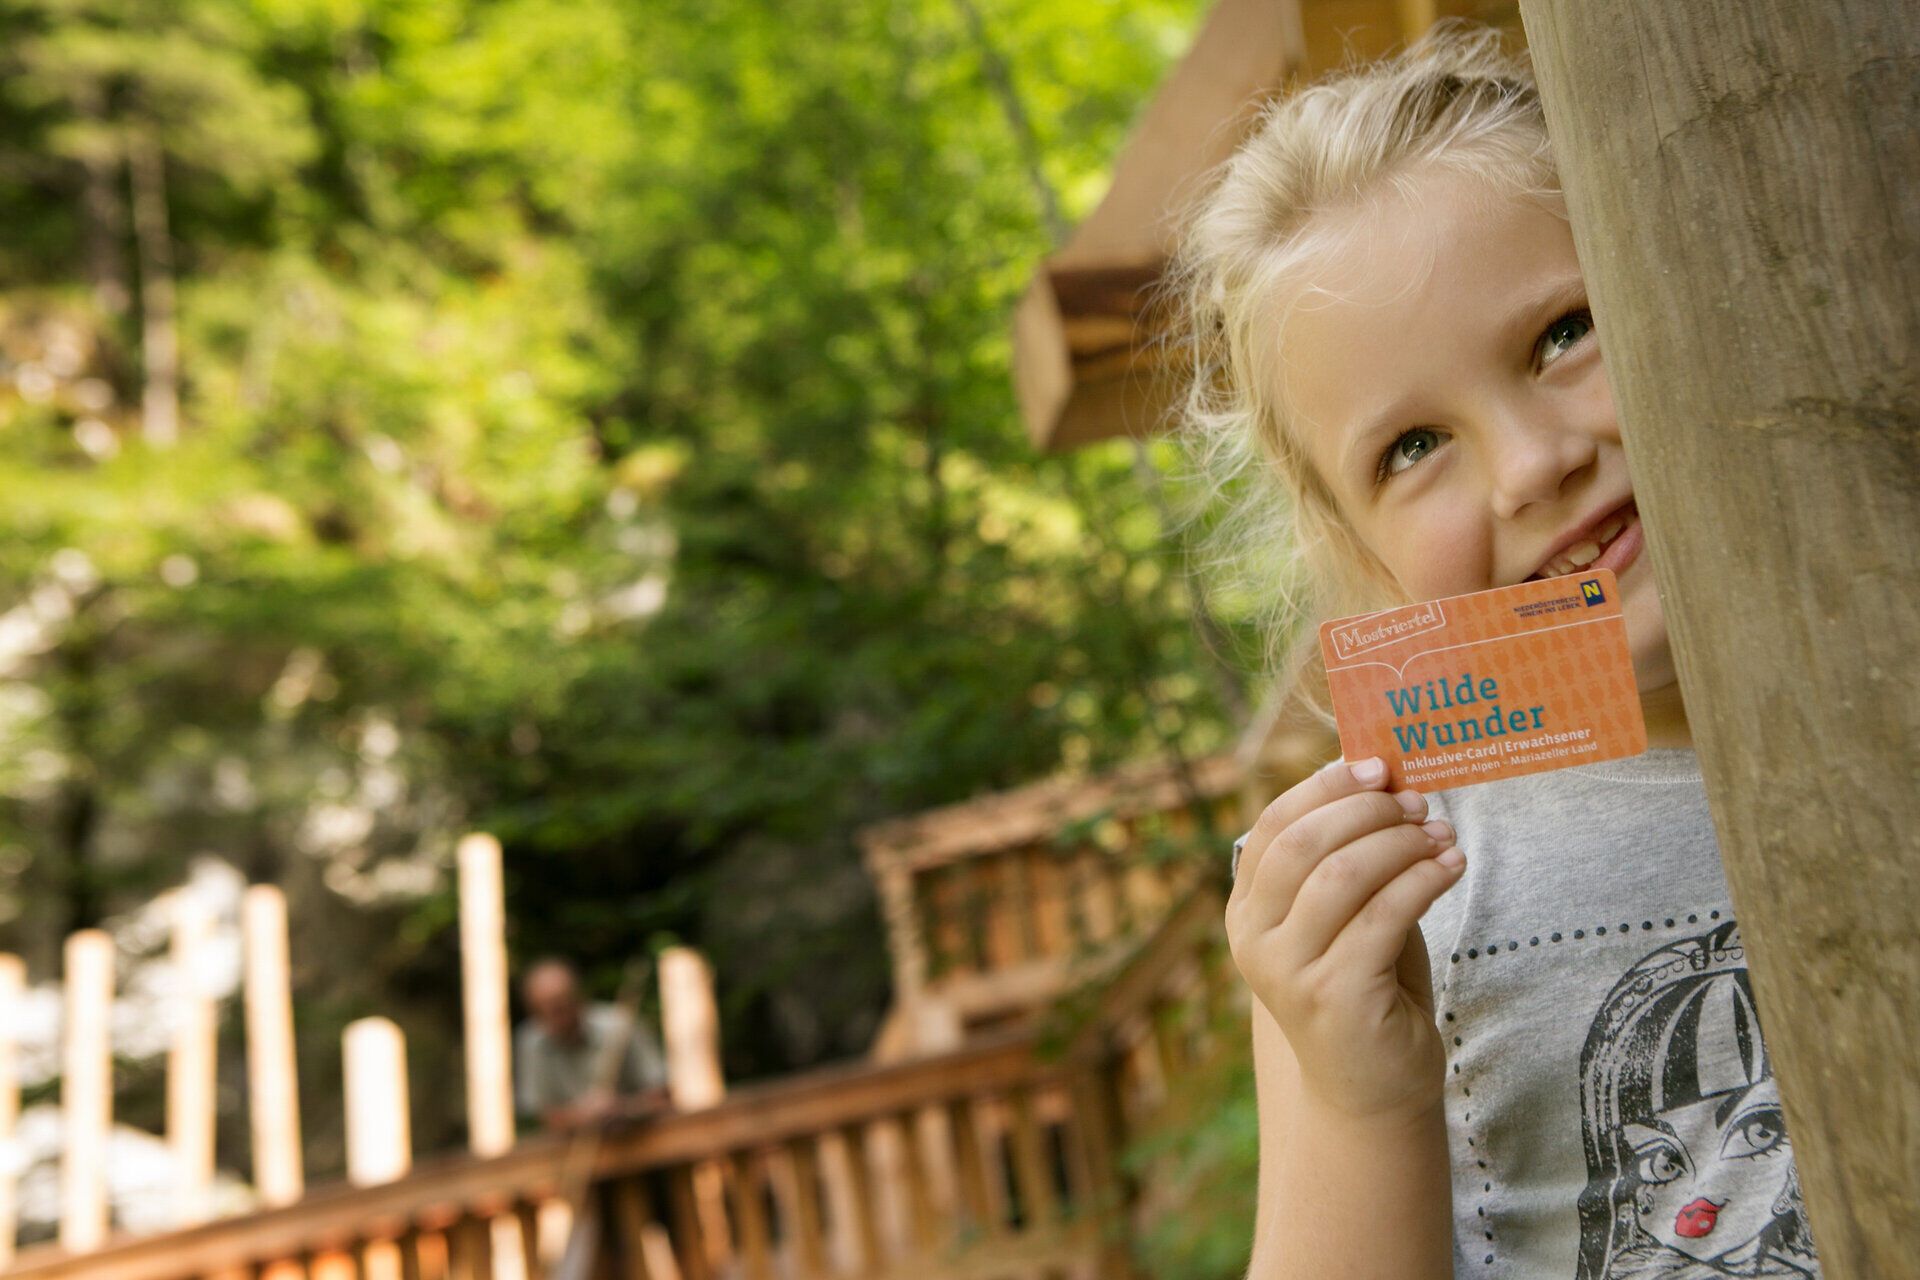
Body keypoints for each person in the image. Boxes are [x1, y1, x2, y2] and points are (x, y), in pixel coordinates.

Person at [1176, 22, 1823, 1278]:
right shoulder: (1391, 895)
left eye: (1562, 333)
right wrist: (1363, 1099)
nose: (1535, 464)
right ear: (1361, 556)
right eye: (1412, 447)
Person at [515, 956, 672, 1132]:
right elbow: (545, 1117)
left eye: (560, 1003)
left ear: (579, 996)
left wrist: (625, 1108)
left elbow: (664, 1097)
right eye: (544, 1008)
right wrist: (581, 1115)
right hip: (576, 1150)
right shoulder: (531, 1041)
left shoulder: (621, 1025)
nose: (555, 1013)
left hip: (642, 1138)